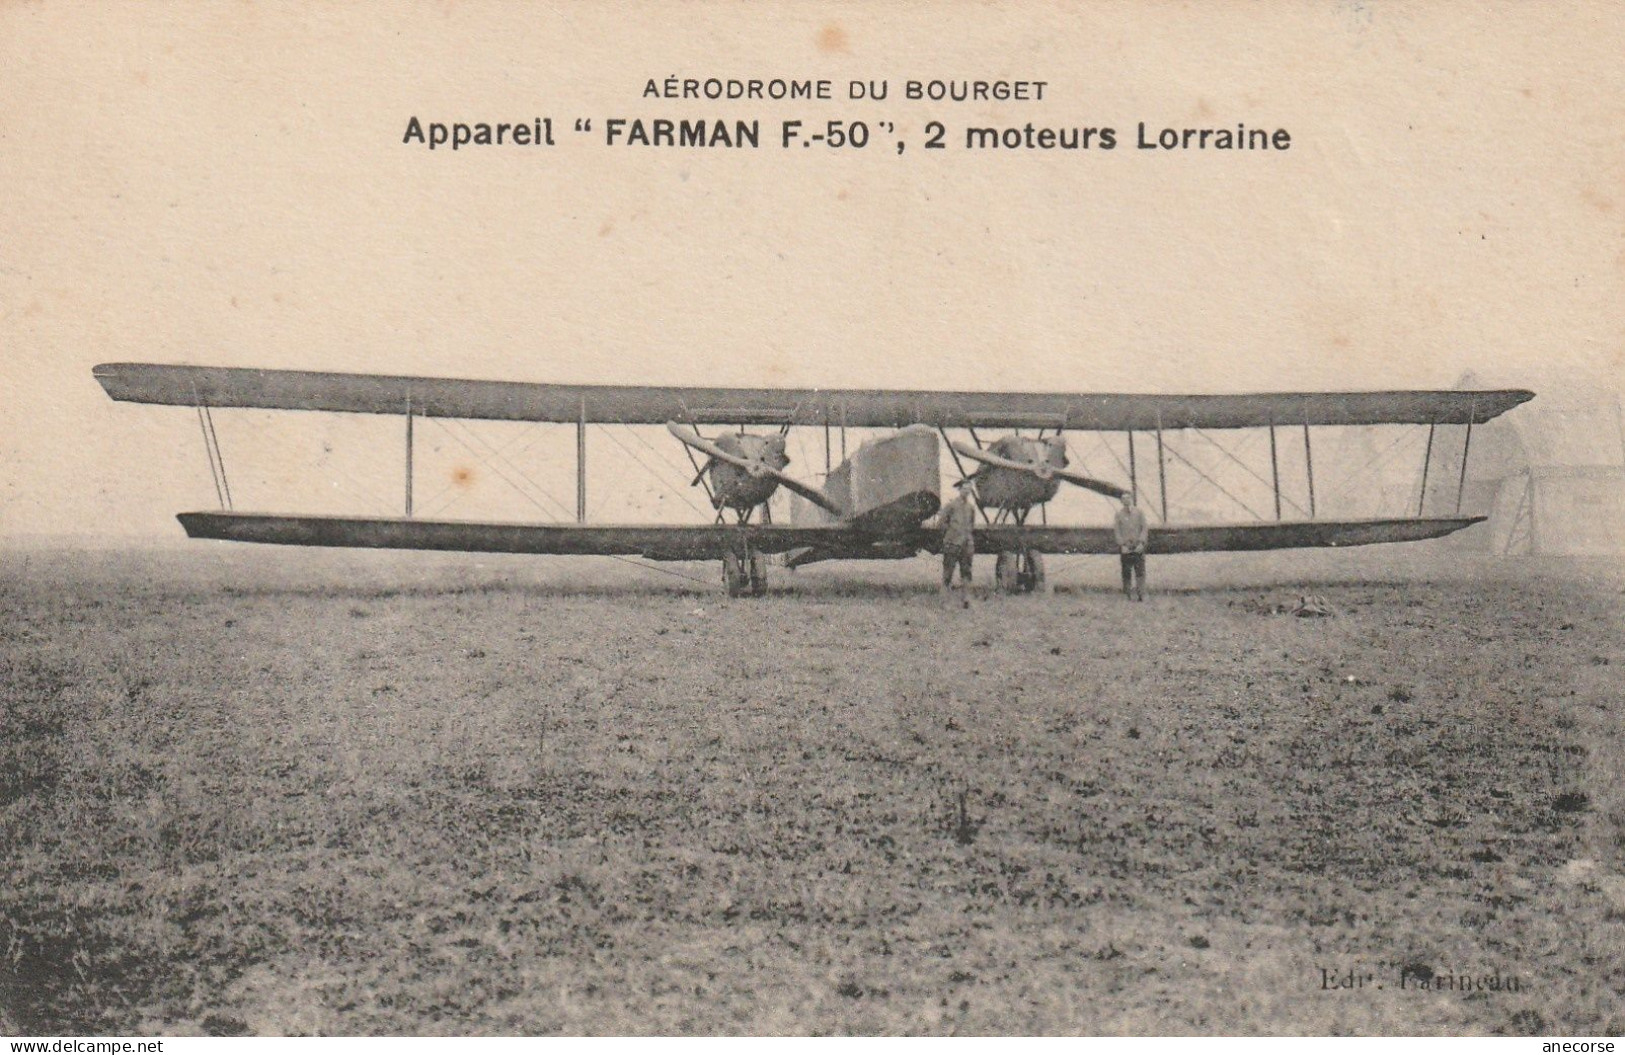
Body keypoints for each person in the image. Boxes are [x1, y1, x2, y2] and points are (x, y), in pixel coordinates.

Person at [931, 479, 978, 606]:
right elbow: (941, 523)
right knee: (948, 574)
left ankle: (966, 600)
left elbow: (971, 525)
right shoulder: (951, 506)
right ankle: (944, 601)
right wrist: (950, 536)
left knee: (966, 573)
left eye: (969, 489)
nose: (967, 491)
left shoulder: (970, 508)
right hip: (952, 544)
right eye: (965, 488)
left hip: (966, 545)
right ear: (960, 490)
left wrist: (968, 539)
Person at [1113, 492, 1149, 601]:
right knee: (1126, 571)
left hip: (1137, 546)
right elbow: (1117, 531)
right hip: (1126, 547)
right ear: (1121, 501)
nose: (1126, 500)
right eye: (1123, 498)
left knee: (1140, 570)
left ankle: (1141, 594)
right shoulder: (1118, 515)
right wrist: (1122, 545)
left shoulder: (1139, 512)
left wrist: (1141, 543)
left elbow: (1144, 528)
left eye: (1128, 498)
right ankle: (1127, 594)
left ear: (1132, 499)